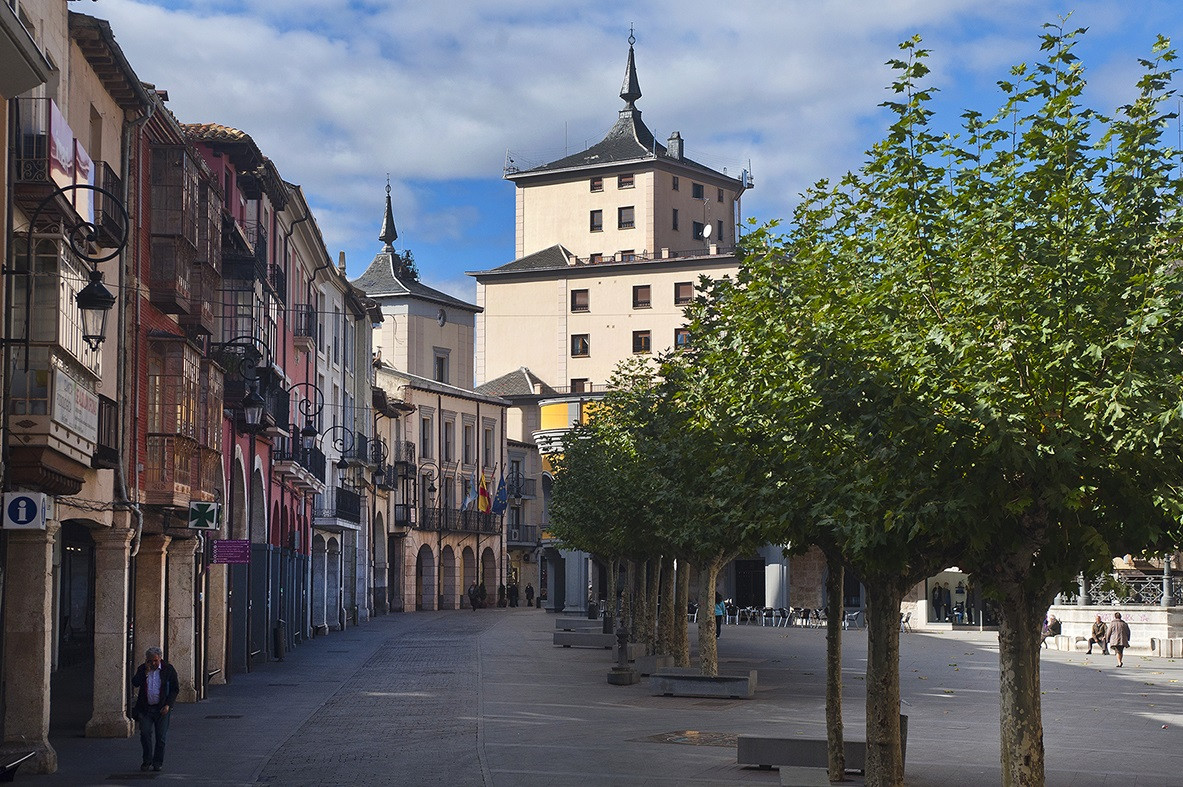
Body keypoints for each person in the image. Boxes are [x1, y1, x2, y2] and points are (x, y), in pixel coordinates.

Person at [131, 646, 178, 772]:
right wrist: (145, 673)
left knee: (161, 736)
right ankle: (147, 760)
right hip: (146, 709)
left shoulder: (168, 669)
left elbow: (174, 689)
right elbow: (135, 683)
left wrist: (168, 704)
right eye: (150, 661)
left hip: (162, 709)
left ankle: (158, 762)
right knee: (145, 734)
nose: (153, 663)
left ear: (160, 659)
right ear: (147, 660)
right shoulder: (142, 669)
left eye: (155, 661)